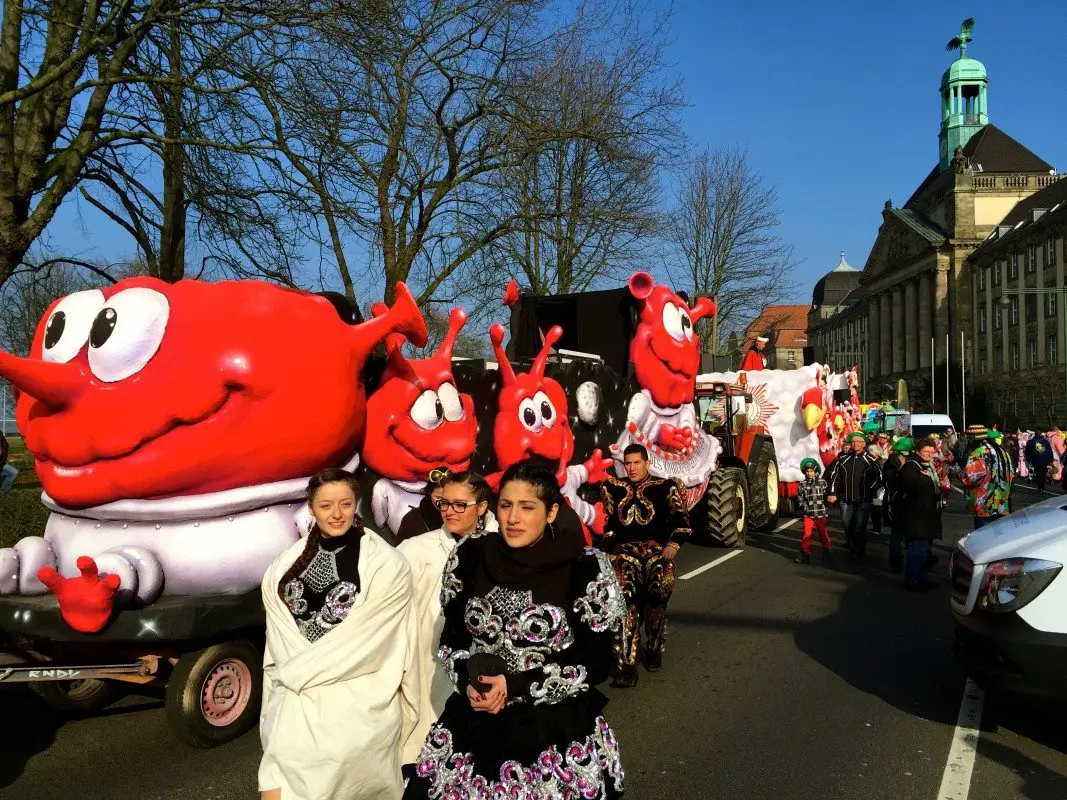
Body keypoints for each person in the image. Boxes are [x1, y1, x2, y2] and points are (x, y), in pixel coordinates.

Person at [404, 461, 626, 799]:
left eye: (528, 507)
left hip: (550, 728)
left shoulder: (585, 566)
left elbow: (597, 659)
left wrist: (517, 684)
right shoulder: (471, 556)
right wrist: (469, 680)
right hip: (475, 722)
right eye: (506, 505)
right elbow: (452, 639)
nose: (513, 518)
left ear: (551, 512)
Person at [259, 468, 422, 800]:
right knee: (278, 786)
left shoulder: (387, 566)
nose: (336, 514)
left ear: (356, 503)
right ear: (312, 507)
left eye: (345, 504)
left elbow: (378, 641)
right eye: (326, 505)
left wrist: (307, 669)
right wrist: (293, 674)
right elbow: (277, 631)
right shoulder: (284, 563)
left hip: (354, 708)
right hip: (293, 700)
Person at [397, 471, 497, 755]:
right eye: (444, 503)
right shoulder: (415, 550)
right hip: (431, 663)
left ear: (481, 506)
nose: (449, 512)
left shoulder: (503, 545)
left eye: (459, 504)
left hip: (488, 665)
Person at [599, 443, 691, 687]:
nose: (631, 468)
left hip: (656, 555)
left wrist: (673, 545)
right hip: (626, 557)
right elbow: (609, 528)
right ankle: (628, 668)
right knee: (626, 607)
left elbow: (682, 522)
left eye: (636, 462)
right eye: (627, 463)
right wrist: (608, 552)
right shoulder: (612, 488)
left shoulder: (665, 487)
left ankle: (653, 645)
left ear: (647, 463)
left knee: (655, 601)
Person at [826, 431, 882, 563]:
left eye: (859, 441)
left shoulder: (870, 460)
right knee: (847, 526)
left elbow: (878, 478)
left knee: (858, 526)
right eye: (853, 442)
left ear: (863, 444)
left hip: (863, 501)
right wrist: (832, 493)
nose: (856, 444)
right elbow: (835, 477)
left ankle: (856, 551)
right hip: (846, 500)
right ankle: (856, 544)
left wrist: (869, 491)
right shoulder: (843, 459)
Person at [897, 438, 944, 592]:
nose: (929, 454)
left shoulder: (926, 466)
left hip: (926, 515)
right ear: (918, 451)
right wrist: (925, 479)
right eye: (926, 451)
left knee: (923, 550)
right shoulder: (911, 466)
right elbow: (911, 486)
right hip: (917, 515)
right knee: (917, 549)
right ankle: (913, 581)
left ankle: (920, 578)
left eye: (932, 452)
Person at [959, 427, 1014, 530]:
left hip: (984, 502)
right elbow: (1012, 473)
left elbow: (970, 477)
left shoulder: (979, 453)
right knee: (999, 535)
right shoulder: (1003, 452)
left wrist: (959, 474)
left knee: (983, 536)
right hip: (1002, 501)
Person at [394, 467, 449, 545]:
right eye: (439, 498)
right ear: (429, 493)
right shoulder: (411, 520)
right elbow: (399, 551)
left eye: (450, 497)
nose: (445, 503)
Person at [883, 437, 913, 574]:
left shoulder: (891, 464)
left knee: (898, 534)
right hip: (897, 504)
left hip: (895, 503)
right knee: (899, 533)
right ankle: (897, 561)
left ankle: (897, 560)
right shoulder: (897, 466)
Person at [793, 458, 832, 564]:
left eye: (811, 471)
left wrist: (828, 502)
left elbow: (827, 495)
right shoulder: (802, 484)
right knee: (806, 534)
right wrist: (804, 507)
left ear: (816, 472)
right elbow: (800, 498)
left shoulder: (822, 482)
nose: (809, 473)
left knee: (823, 533)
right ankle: (804, 554)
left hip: (820, 513)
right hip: (808, 514)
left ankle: (827, 550)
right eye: (807, 471)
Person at [867, 442, 887, 535]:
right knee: (875, 508)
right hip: (877, 488)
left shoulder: (879, 462)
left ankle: (877, 528)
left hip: (879, 488)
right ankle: (876, 527)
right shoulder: (875, 462)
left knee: (876, 507)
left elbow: (880, 476)